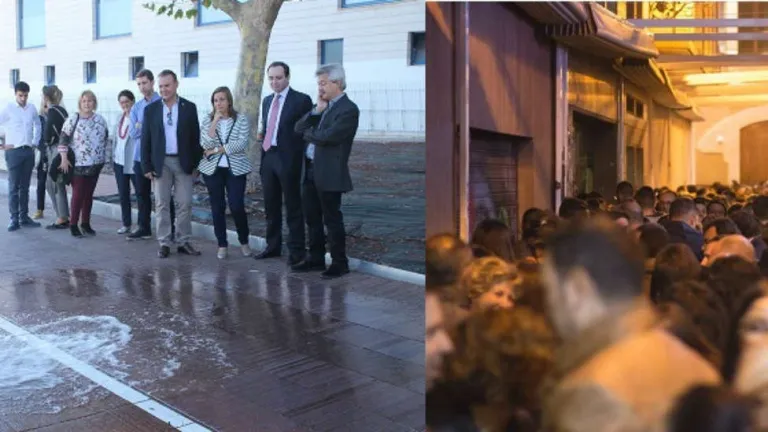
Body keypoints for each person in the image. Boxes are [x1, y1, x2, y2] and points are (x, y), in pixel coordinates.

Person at [540, 219, 720, 431]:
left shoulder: (593, 390)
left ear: (577, 288)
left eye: (549, 292)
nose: (548, 307)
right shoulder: (696, 361)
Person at [293, 64, 360, 278]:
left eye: (323, 83)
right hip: (309, 170)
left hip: (330, 172)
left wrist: (308, 134)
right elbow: (298, 128)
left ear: (337, 83)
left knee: (332, 220)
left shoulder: (348, 109)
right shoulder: (322, 107)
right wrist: (316, 112)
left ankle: (340, 262)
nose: (319, 88)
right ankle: (316, 259)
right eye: (318, 84)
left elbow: (328, 137)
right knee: (312, 218)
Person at [255, 61, 313, 265]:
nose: (274, 82)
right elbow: (267, 127)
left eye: (278, 78)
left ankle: (296, 251)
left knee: (293, 206)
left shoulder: (301, 100)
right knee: (271, 206)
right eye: (271, 78)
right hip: (269, 156)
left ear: (287, 77)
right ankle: (272, 246)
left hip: (289, 159)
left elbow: (307, 131)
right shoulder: (267, 101)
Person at [141, 69, 203, 258]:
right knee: (162, 204)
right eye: (160, 86)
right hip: (161, 163)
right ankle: (164, 242)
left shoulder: (189, 108)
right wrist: (146, 166)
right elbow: (145, 139)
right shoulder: (151, 110)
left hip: (183, 162)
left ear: (176, 85)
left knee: (184, 203)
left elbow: (195, 138)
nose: (163, 90)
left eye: (167, 85)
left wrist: (196, 164)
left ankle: (183, 241)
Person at [198, 86, 252, 259]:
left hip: (235, 169)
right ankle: (222, 244)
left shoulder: (241, 119)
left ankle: (244, 241)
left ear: (229, 101)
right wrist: (214, 121)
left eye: (222, 99)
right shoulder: (207, 120)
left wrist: (216, 150)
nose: (218, 103)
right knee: (217, 206)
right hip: (212, 170)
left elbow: (241, 143)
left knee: (236, 205)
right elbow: (205, 143)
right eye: (215, 100)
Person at [58, 90, 109, 237]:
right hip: (78, 164)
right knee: (78, 194)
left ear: (94, 103)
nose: (87, 104)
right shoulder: (73, 119)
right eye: (84, 101)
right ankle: (73, 224)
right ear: (80, 103)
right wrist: (64, 158)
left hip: (95, 163)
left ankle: (85, 223)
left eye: (90, 101)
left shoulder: (100, 120)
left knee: (89, 195)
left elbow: (105, 139)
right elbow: (63, 140)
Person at [0, 81, 42, 231]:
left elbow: (38, 124)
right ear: (15, 94)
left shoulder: (32, 108)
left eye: (25, 95)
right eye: (20, 95)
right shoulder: (9, 108)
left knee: (25, 187)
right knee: (13, 186)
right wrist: (2, 145)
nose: (23, 98)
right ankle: (14, 218)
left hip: (28, 151)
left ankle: (24, 217)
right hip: (13, 152)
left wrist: (35, 142)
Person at [126, 69, 161, 240]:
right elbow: (133, 132)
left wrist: (141, 125)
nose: (142, 87)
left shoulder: (162, 103)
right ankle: (143, 227)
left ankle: (168, 228)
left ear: (152, 82)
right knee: (141, 194)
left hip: (158, 157)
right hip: (140, 157)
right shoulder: (137, 107)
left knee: (162, 196)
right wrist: (145, 126)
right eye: (139, 84)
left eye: (144, 83)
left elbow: (160, 131)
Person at [40, 85, 69, 229]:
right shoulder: (62, 110)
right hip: (64, 148)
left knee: (53, 184)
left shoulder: (52, 112)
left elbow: (47, 136)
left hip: (55, 150)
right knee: (58, 183)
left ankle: (62, 217)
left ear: (46, 97)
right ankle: (63, 215)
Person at [113, 90, 136, 234]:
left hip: (132, 162)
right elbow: (116, 138)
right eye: (122, 102)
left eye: (127, 101)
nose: (124, 105)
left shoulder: (137, 117)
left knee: (140, 193)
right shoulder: (119, 118)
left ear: (132, 101)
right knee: (123, 194)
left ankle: (143, 225)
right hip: (119, 161)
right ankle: (126, 224)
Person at [33, 89, 49, 220]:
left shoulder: (59, 114)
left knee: (57, 184)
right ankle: (40, 209)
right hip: (43, 153)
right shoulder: (39, 118)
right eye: (44, 98)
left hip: (55, 153)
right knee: (41, 182)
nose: (45, 102)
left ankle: (62, 213)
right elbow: (37, 136)